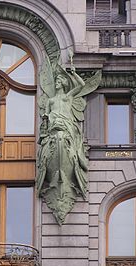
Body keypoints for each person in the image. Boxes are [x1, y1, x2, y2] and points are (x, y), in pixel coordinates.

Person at [37, 59, 100, 225]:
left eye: (60, 80)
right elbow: (47, 115)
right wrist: (46, 119)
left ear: (64, 83)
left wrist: (73, 73)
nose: (58, 82)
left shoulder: (67, 97)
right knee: (54, 140)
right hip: (54, 126)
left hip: (66, 126)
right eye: (56, 80)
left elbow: (80, 86)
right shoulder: (50, 101)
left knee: (65, 143)